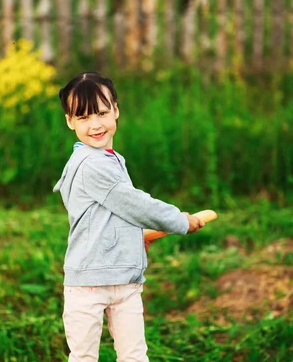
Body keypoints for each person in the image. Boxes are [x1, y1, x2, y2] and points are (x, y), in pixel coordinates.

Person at [53, 72, 205, 361]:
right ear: (70, 121)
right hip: (89, 285)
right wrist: (179, 220)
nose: (95, 124)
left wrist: (136, 237)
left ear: (116, 110)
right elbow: (136, 205)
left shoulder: (109, 158)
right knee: (84, 356)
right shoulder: (90, 165)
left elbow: (109, 215)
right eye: (83, 118)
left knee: (134, 355)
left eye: (101, 112)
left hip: (123, 281)